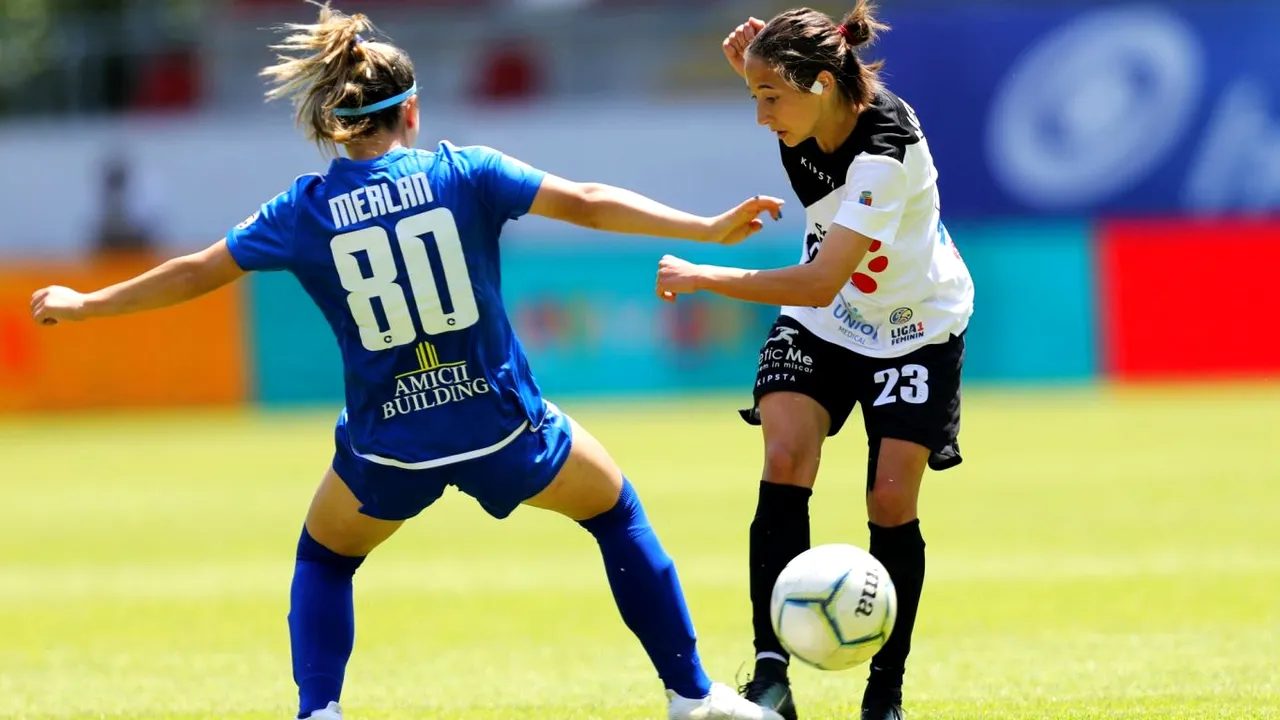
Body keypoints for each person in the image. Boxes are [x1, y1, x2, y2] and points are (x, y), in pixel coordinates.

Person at [28, 5, 788, 720]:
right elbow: (587, 200)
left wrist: (90, 305)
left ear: (333, 122)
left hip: (386, 445)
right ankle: (691, 696)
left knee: (326, 558)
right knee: (615, 513)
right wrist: (705, 228)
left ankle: (319, 709)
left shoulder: (303, 209)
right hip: (501, 430)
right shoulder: (466, 171)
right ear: (412, 112)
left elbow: (198, 268)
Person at [654, 4, 974, 720]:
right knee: (785, 457)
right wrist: (761, 71)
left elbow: (820, 278)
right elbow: (822, 294)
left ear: (824, 84)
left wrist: (707, 276)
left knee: (890, 500)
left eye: (769, 99)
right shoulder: (812, 108)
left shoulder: (885, 151)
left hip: (914, 326)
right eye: (754, 98)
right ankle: (772, 675)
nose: (762, 117)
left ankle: (884, 690)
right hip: (825, 325)